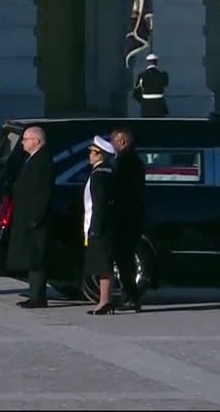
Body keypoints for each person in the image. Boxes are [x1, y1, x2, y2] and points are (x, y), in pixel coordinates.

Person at [6, 126, 55, 309]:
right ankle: (34, 294)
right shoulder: (32, 160)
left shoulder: (42, 161)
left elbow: (43, 192)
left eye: (26, 139)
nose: (23, 142)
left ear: (37, 141)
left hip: (36, 219)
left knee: (36, 258)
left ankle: (38, 297)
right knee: (31, 257)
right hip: (28, 217)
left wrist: (36, 217)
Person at [110, 127, 147, 312]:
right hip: (130, 216)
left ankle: (130, 296)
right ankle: (129, 295)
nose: (112, 144)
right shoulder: (130, 159)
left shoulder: (127, 161)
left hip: (126, 217)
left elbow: (122, 190)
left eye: (114, 141)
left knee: (125, 259)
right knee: (125, 259)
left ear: (122, 141)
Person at [83, 135, 117, 315]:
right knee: (104, 264)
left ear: (100, 155)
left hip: (99, 226)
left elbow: (99, 204)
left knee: (103, 265)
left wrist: (95, 228)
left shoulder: (98, 175)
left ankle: (104, 301)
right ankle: (105, 300)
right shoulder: (109, 172)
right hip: (107, 224)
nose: (90, 155)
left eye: (93, 152)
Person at [133, 53, 169, 118]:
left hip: (147, 107)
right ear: (156, 62)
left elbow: (136, 93)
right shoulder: (163, 75)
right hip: (159, 106)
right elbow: (165, 83)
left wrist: (144, 101)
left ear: (147, 62)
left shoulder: (142, 76)